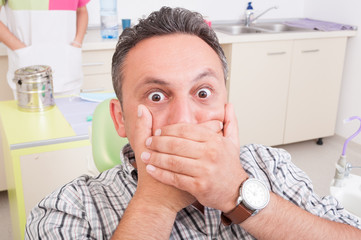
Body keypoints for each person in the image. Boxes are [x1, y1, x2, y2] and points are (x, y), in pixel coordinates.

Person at [25, 6, 361, 239]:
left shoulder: (270, 166)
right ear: (120, 118)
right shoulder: (68, 209)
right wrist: (154, 205)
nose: (184, 121)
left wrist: (238, 194)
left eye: (202, 92)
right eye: (156, 96)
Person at [0, 0, 89, 97]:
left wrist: (77, 43)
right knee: (29, 109)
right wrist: (20, 49)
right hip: (27, 70)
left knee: (70, 110)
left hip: (67, 68)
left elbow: (82, 10)